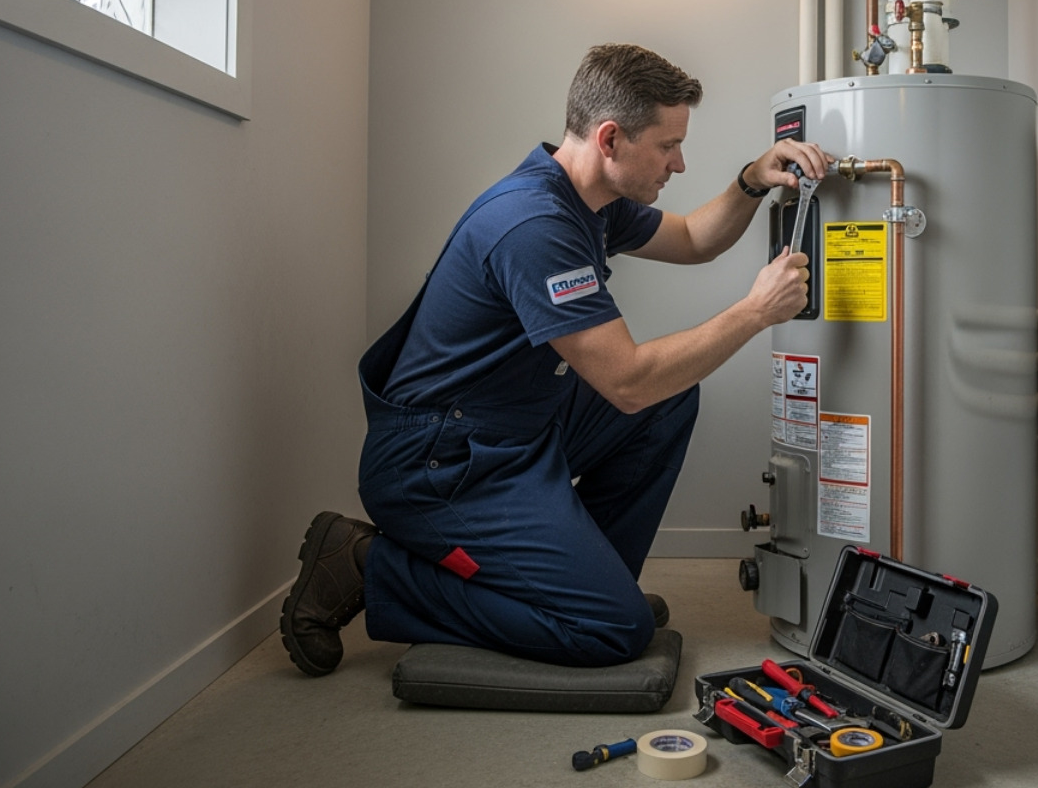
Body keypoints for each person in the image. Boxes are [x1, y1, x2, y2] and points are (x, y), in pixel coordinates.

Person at [280, 43, 829, 676]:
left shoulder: (586, 199)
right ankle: (362, 564)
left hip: (514, 422)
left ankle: (586, 585)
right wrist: (754, 312)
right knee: (612, 631)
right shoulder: (535, 223)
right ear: (611, 139)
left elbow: (693, 238)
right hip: (442, 461)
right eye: (667, 145)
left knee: (670, 397)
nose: (679, 163)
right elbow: (624, 382)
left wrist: (750, 179)